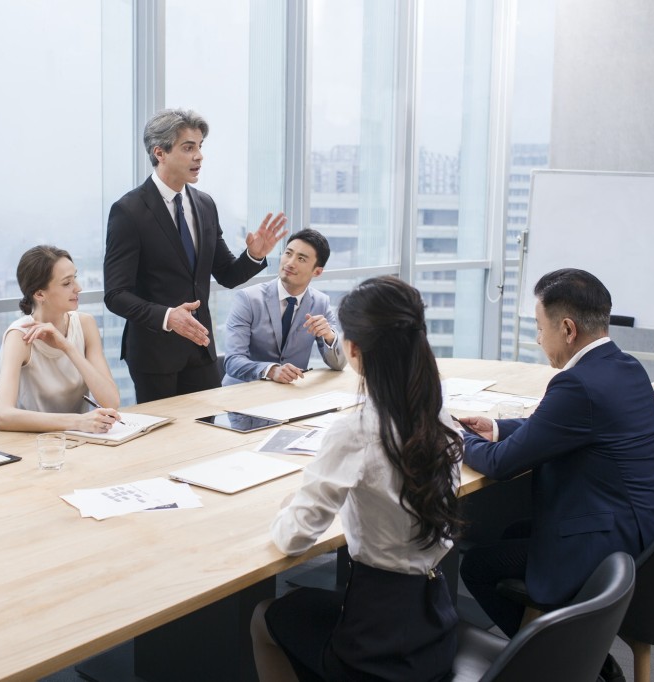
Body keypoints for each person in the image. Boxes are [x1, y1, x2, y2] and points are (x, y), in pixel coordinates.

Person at [458, 268, 654, 677]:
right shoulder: (626, 367)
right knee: (510, 533)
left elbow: (502, 464)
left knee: (477, 565)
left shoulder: (576, 385)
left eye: (540, 329)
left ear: (568, 328)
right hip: (648, 528)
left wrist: (455, 441)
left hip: (608, 541)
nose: (540, 340)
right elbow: (562, 428)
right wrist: (498, 428)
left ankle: (568, 662)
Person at [251, 276, 463, 682]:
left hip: (377, 643)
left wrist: (283, 508)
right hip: (434, 621)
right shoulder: (440, 416)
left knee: (265, 617)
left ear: (353, 350)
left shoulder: (358, 431)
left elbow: (294, 538)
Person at [104, 108, 288, 403]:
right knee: (166, 446)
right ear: (160, 152)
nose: (199, 156)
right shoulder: (129, 212)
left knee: (208, 436)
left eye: (200, 147)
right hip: (154, 356)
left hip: (201, 350)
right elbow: (115, 294)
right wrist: (168, 317)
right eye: (188, 148)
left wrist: (253, 255)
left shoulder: (204, 205)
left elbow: (227, 274)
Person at [0, 245, 120, 433]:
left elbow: (111, 401)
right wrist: (78, 422)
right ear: (39, 294)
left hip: (83, 440)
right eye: (66, 283)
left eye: (74, 278)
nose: (78, 288)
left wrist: (67, 347)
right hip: (35, 443)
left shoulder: (85, 324)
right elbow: (2, 416)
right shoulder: (19, 336)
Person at [223, 229, 345, 385]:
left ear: (317, 271)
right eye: (288, 253)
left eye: (301, 259)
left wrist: (330, 337)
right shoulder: (247, 299)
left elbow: (339, 364)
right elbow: (233, 362)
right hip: (242, 393)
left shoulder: (321, 302)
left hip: (290, 396)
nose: (290, 263)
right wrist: (271, 370)